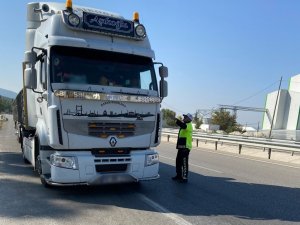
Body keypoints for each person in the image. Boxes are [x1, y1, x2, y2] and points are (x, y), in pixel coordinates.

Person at [172, 113, 193, 183]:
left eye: (185, 117)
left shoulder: (189, 125)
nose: (184, 118)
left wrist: (176, 120)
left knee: (184, 163)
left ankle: (184, 177)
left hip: (186, 147)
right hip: (181, 146)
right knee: (178, 161)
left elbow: (183, 126)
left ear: (189, 119)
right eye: (184, 117)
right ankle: (179, 175)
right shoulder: (185, 124)